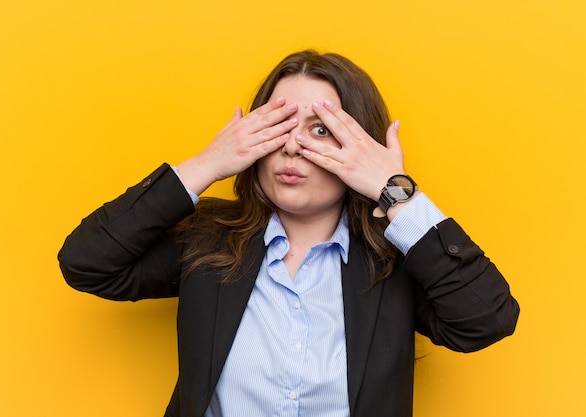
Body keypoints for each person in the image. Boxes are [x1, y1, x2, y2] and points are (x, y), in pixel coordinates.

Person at [58, 50, 519, 417]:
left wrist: (395, 192)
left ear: (361, 147)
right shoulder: (208, 242)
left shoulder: (394, 261)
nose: (293, 145)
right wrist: (208, 164)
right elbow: (87, 262)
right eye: (277, 126)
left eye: (320, 129)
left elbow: (486, 320)